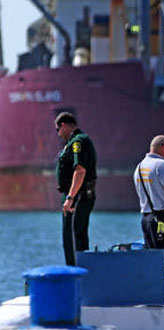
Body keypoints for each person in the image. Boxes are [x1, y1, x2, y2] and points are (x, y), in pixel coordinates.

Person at [54, 111, 97, 266]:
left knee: (75, 236)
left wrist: (70, 198)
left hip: (79, 197)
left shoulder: (78, 141)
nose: (58, 134)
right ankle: (73, 271)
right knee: (69, 237)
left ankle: (78, 274)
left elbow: (80, 170)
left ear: (64, 125)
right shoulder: (72, 142)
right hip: (74, 196)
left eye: (57, 130)